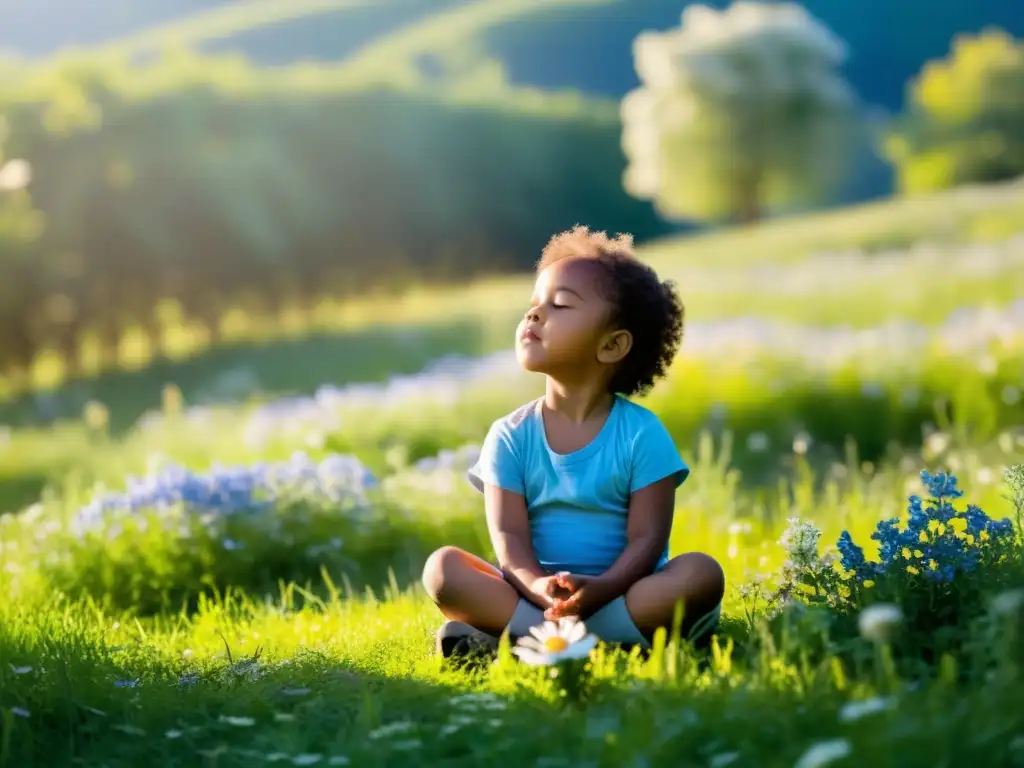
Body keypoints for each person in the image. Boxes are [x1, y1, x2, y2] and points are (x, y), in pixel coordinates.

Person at [421, 226, 725, 659]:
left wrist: (603, 588)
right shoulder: (509, 436)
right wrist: (540, 588)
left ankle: (520, 641)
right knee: (444, 570)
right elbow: (508, 537)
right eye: (533, 305)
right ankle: (601, 640)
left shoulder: (641, 434)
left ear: (612, 345)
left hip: (623, 593)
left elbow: (647, 541)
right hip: (534, 597)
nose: (534, 315)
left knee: (700, 573)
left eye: (559, 304)